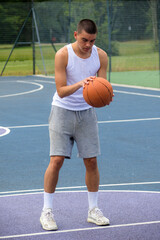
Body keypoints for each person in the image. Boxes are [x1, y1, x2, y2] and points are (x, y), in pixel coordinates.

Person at [40, 19, 110, 231]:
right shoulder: (63, 54)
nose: (88, 44)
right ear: (75, 35)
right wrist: (81, 84)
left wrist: (106, 95)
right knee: (57, 160)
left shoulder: (101, 55)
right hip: (62, 110)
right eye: (84, 40)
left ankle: (93, 210)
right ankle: (47, 212)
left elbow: (103, 85)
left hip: (87, 113)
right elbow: (61, 90)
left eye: (92, 40)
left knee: (91, 162)